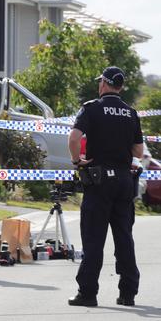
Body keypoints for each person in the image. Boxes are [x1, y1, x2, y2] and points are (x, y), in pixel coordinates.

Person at [67, 66, 143, 307]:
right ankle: (128, 293)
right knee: (124, 237)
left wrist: (77, 161)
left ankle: (88, 293)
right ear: (120, 86)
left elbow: (74, 138)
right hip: (123, 181)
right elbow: (138, 151)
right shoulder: (131, 113)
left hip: (99, 182)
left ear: (104, 84)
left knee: (93, 238)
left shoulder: (92, 108)